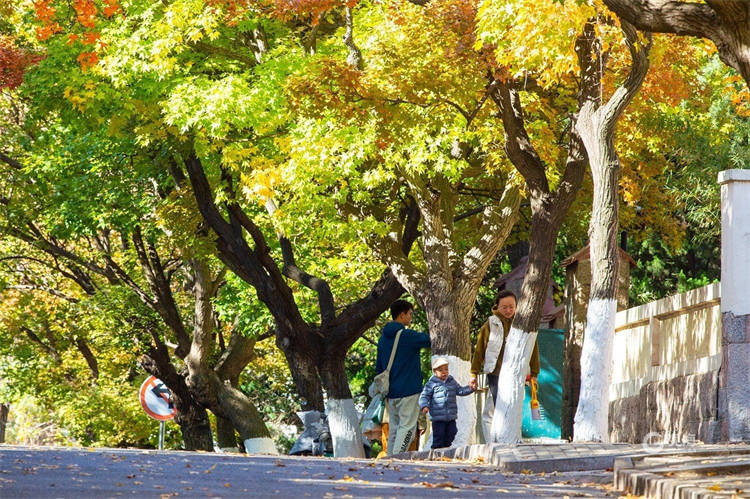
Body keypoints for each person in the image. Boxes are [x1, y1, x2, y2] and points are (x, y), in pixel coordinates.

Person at [469, 290, 540, 442]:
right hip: (495, 372)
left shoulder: (522, 324)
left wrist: (534, 373)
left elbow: (533, 349)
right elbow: (479, 350)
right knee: (498, 407)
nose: (508, 310)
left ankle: (511, 438)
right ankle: (492, 442)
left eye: (511, 307)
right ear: (497, 307)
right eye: (504, 307)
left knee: (512, 406)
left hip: (516, 373)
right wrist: (473, 373)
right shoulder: (490, 324)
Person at [376, 299, 431, 456]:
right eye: (410, 314)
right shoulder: (408, 336)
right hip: (409, 389)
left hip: (390, 392)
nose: (411, 317)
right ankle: (398, 457)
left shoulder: (383, 339)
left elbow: (379, 368)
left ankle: (391, 457)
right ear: (402, 315)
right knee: (407, 427)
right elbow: (430, 340)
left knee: (394, 428)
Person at [419, 357, 475, 449]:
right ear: (435, 372)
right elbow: (424, 396)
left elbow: (460, 390)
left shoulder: (451, 381)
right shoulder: (431, 383)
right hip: (438, 417)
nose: (444, 372)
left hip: (450, 416)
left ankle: (445, 448)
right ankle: (435, 451)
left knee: (452, 431)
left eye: (446, 369)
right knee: (439, 435)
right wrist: (424, 406)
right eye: (441, 370)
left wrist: (470, 388)